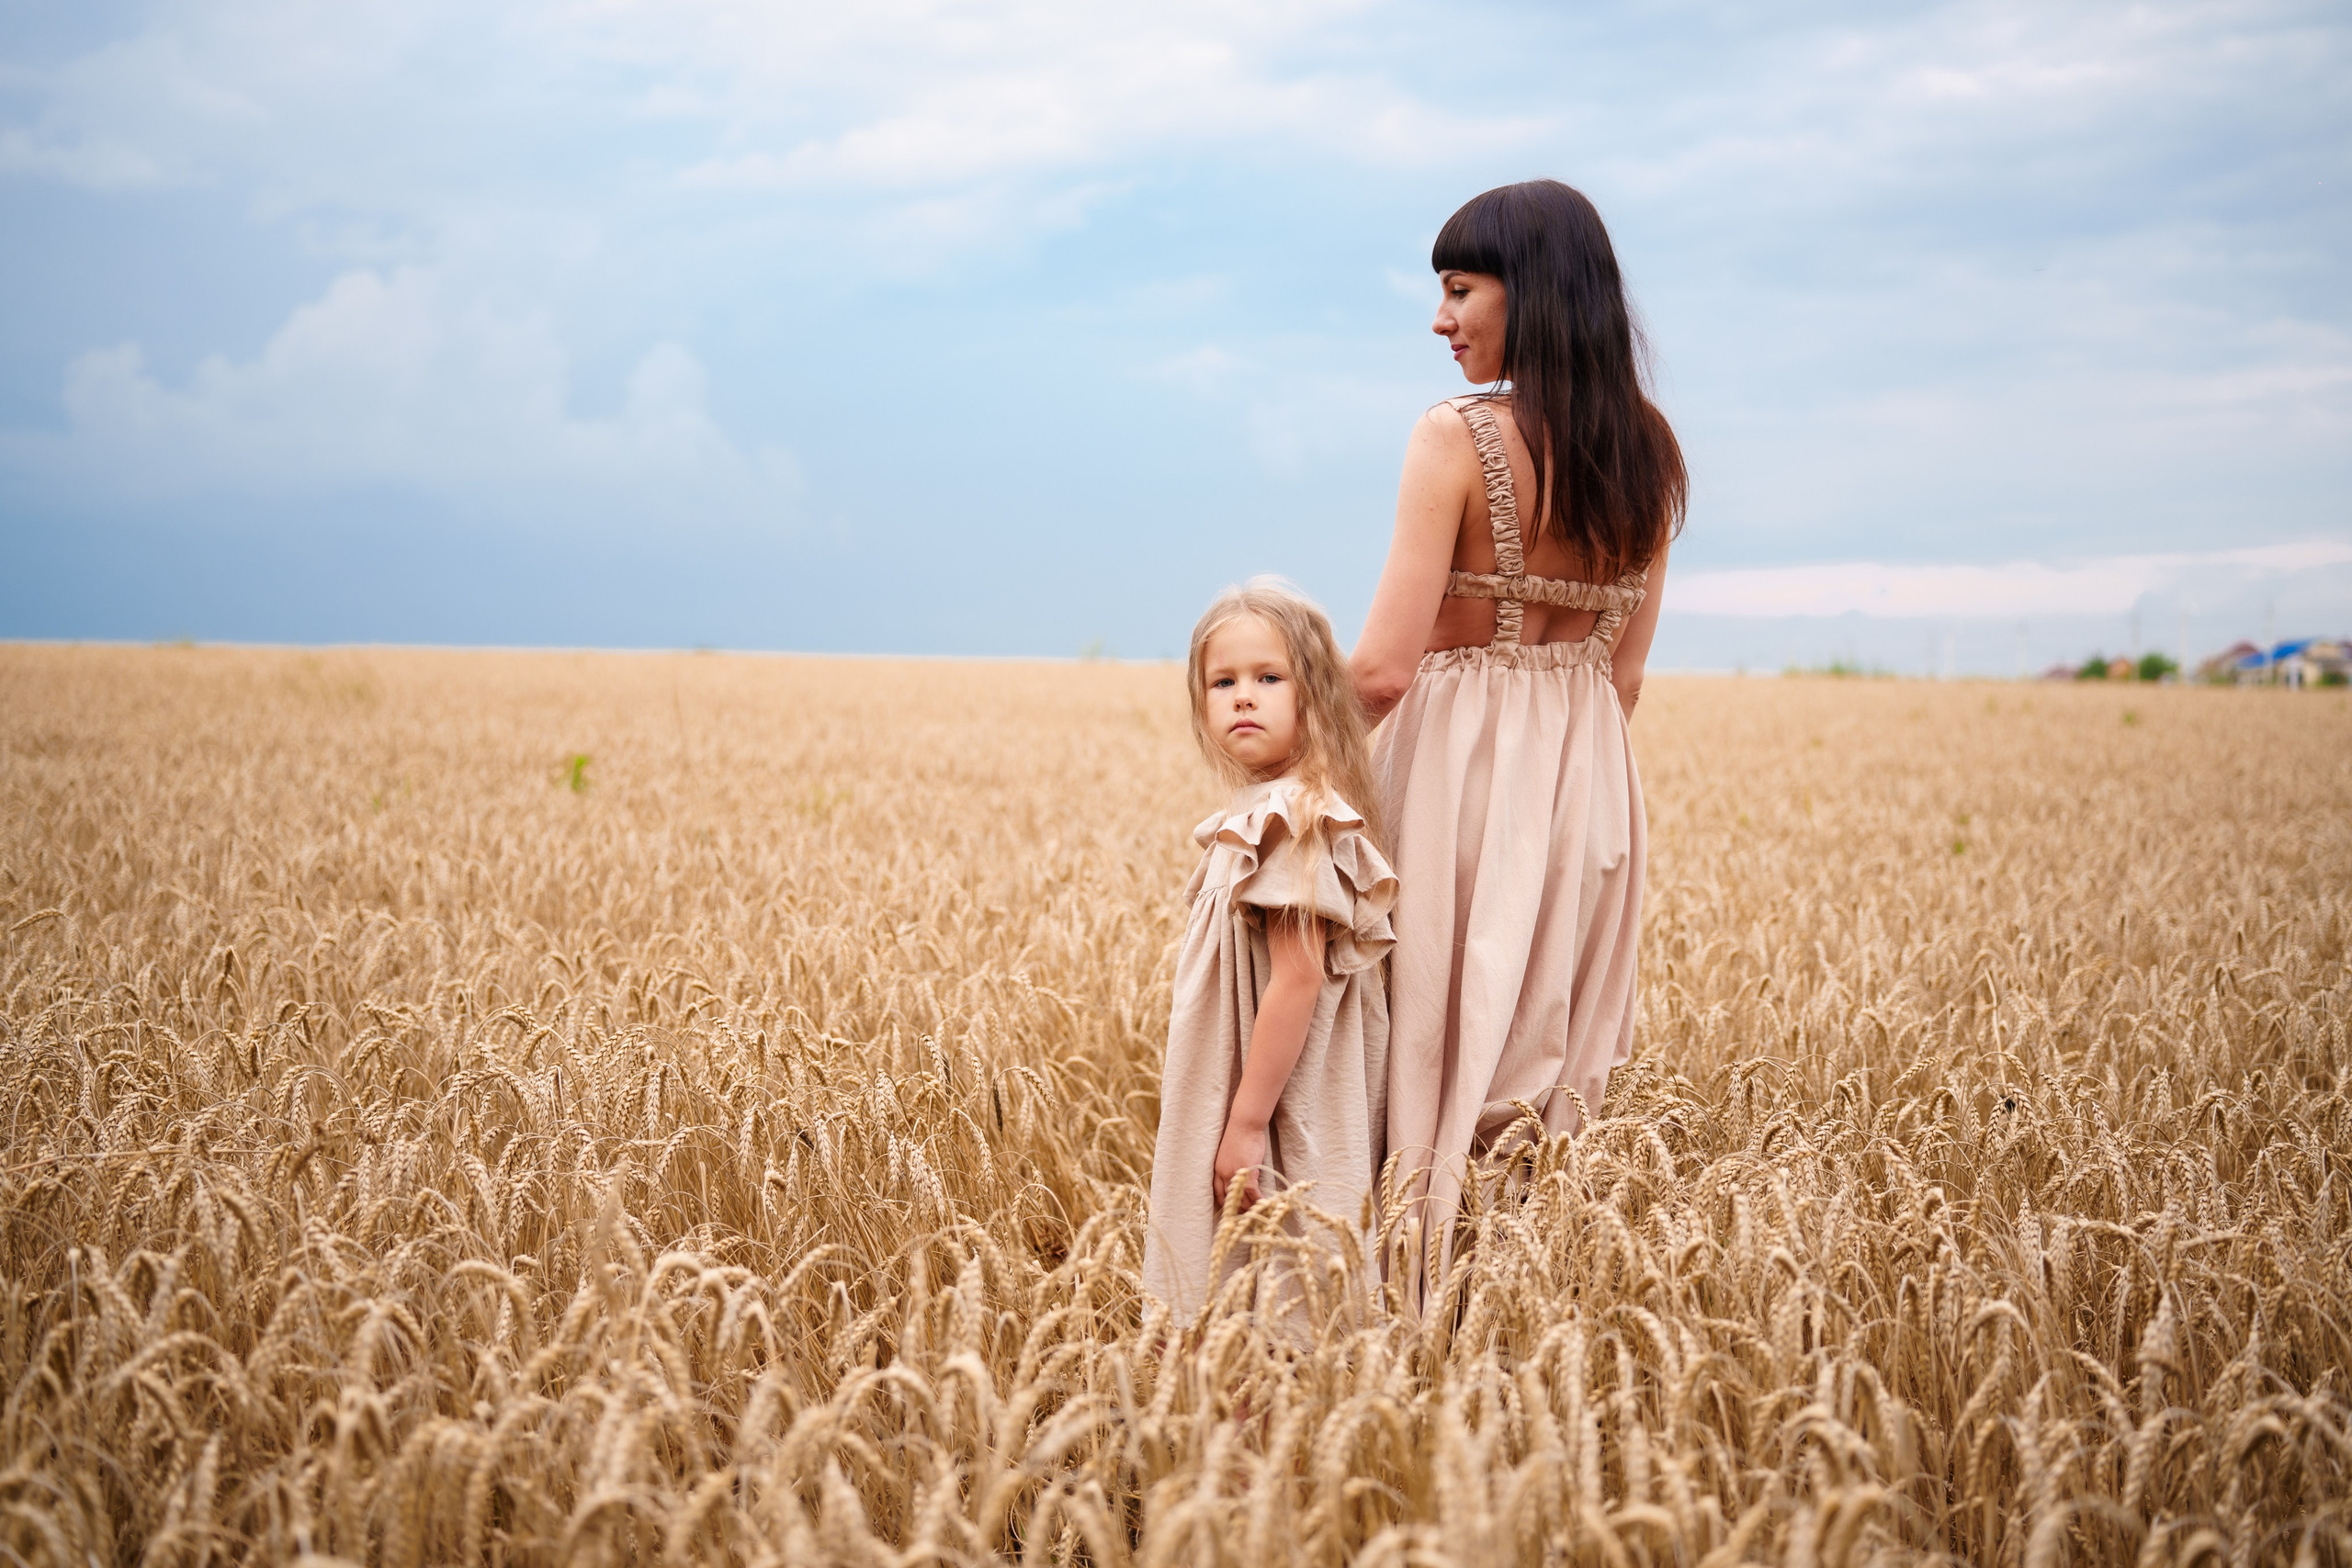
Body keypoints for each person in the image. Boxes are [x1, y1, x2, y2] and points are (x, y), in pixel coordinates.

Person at [1351, 180, 1687, 1307]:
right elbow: (1624, 675)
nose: (1440, 321)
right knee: (1543, 1057)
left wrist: (1291, 788)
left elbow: (1383, 670)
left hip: (1456, 772)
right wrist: (1558, 765)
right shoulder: (1652, 454)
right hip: (1587, 784)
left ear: (1528, 294)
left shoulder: (1454, 437)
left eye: (1458, 290)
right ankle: (1531, 1310)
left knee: (1431, 1038)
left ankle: (1403, 1298)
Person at [1141, 580, 1399, 1320]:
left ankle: (1259, 1418)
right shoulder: (1261, 810)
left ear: (1312, 695)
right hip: (1250, 1073)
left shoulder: (1290, 818)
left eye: (1267, 678)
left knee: (1274, 1273)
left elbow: (1296, 977)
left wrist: (1249, 1120)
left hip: (1275, 1092)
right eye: (1223, 682)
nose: (1243, 697)